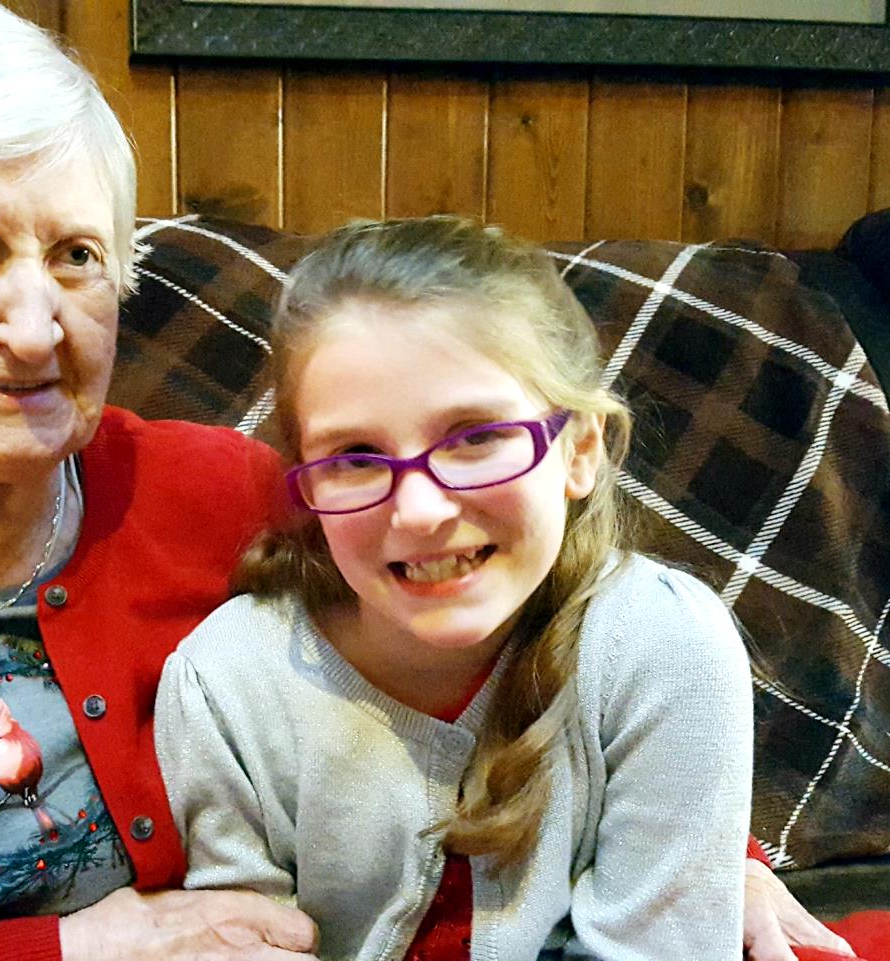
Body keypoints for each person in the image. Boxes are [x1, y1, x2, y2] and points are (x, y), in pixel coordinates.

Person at [0, 0, 862, 958]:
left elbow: (497, 631)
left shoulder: (220, 493)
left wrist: (707, 858)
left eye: (76, 257)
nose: (34, 324)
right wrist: (68, 952)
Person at [154, 216, 752, 960]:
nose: (419, 511)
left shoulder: (665, 646)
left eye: (475, 438)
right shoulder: (225, 685)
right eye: (356, 456)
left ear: (578, 451)